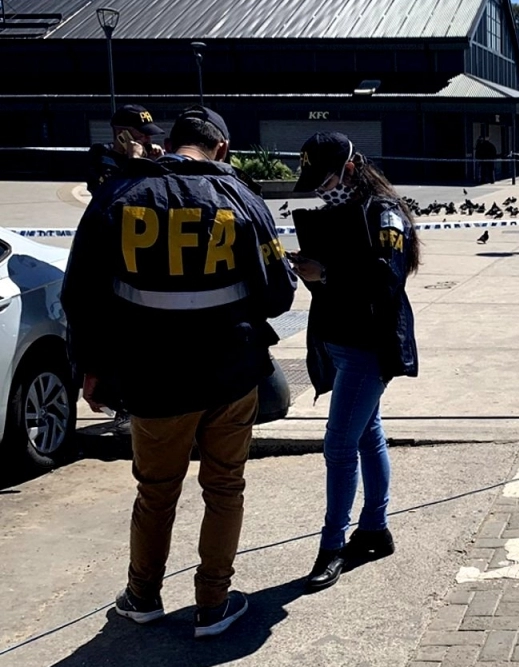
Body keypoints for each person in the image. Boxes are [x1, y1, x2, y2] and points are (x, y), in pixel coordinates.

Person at [61, 106, 297, 638]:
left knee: (155, 491)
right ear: (223, 149)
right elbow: (280, 294)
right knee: (224, 488)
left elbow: (80, 294)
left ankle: (142, 595)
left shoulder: (119, 195)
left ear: (171, 144)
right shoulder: (241, 198)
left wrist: (90, 368)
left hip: (152, 377)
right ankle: (213, 604)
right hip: (231, 374)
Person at [289, 132, 421, 592]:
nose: (322, 191)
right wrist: (313, 271)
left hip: (368, 348)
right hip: (341, 342)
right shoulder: (342, 212)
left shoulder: (384, 213)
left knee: (339, 445)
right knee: (367, 435)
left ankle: (332, 546)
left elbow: (387, 280)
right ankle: (375, 529)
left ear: (349, 168)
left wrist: (326, 272)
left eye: (325, 180)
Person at [86, 104, 165, 195]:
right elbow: (112, 192)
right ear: (122, 134)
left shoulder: (149, 155)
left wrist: (157, 164)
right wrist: (135, 161)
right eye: (143, 135)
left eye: (149, 135)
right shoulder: (101, 157)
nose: (149, 140)